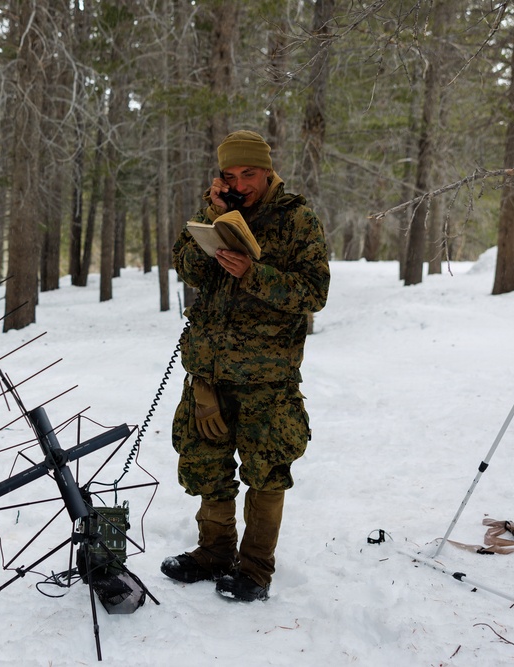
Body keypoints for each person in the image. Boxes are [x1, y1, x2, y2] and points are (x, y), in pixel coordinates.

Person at [161, 130, 330, 602]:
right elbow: (188, 268)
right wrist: (210, 214)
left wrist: (254, 275)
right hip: (209, 376)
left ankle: (255, 568)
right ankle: (214, 552)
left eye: (248, 174)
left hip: (266, 380)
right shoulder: (216, 215)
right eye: (230, 176)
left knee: (266, 470)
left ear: (268, 171)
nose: (240, 184)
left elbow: (314, 293)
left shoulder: (296, 218)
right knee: (206, 464)